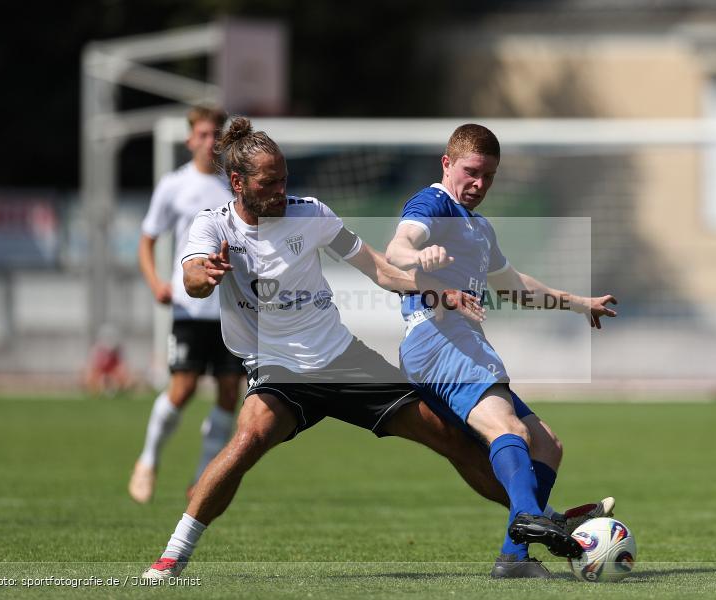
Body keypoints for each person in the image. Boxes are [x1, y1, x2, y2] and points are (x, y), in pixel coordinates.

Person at [141, 116, 537, 581]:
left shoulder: (311, 213)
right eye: (269, 183)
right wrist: (204, 275)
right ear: (237, 183)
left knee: (447, 435)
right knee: (247, 440)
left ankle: (538, 518)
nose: (279, 192)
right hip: (277, 369)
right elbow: (192, 276)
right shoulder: (213, 227)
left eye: (284, 179)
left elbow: (381, 269)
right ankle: (173, 555)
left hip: (343, 359)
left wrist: (435, 289)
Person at [385, 123, 618, 578]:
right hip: (437, 338)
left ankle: (516, 553)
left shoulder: (479, 227)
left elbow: (516, 288)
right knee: (511, 430)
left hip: (463, 341)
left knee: (548, 446)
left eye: (489, 177)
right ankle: (537, 522)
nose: (479, 184)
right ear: (447, 163)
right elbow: (396, 249)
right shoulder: (434, 203)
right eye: (471, 172)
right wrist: (419, 258)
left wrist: (578, 303)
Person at [128, 106, 245, 504]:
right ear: (190, 139)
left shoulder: (235, 185)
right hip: (190, 307)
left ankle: (200, 479)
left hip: (231, 310)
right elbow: (148, 238)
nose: (211, 141)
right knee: (183, 389)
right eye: (204, 134)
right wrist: (155, 282)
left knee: (230, 391)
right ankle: (147, 460)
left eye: (217, 134)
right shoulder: (174, 186)